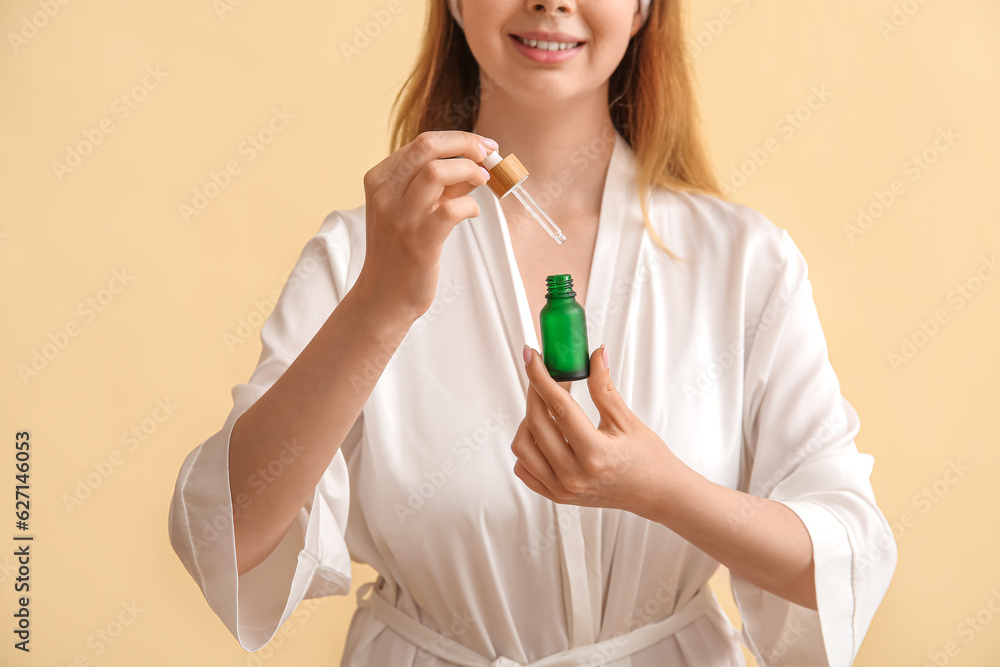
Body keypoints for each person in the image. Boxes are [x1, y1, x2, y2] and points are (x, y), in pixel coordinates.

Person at [167, 0, 897, 664]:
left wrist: (662, 489)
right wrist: (380, 303)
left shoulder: (743, 262)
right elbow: (226, 538)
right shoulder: (359, 258)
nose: (551, 1)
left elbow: (843, 553)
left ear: (644, 8)